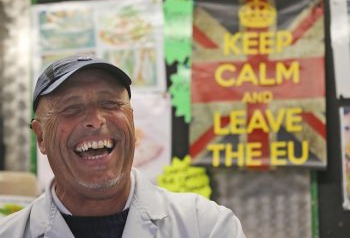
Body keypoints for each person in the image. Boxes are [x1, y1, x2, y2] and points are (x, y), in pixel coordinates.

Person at [0, 55, 245, 238]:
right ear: (41, 137)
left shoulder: (205, 226)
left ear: (131, 120)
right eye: (71, 108)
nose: (96, 121)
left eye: (110, 103)